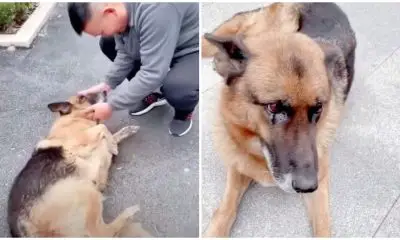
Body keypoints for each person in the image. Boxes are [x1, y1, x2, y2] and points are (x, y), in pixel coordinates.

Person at [67, 2, 199, 137]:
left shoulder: (158, 10)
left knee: (178, 89)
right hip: (157, 39)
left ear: (110, 12)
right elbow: (125, 53)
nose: (103, 34)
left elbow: (152, 72)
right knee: (109, 44)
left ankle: (184, 112)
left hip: (189, 48)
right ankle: (154, 92)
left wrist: (111, 106)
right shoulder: (120, 12)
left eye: (101, 31)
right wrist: (107, 84)